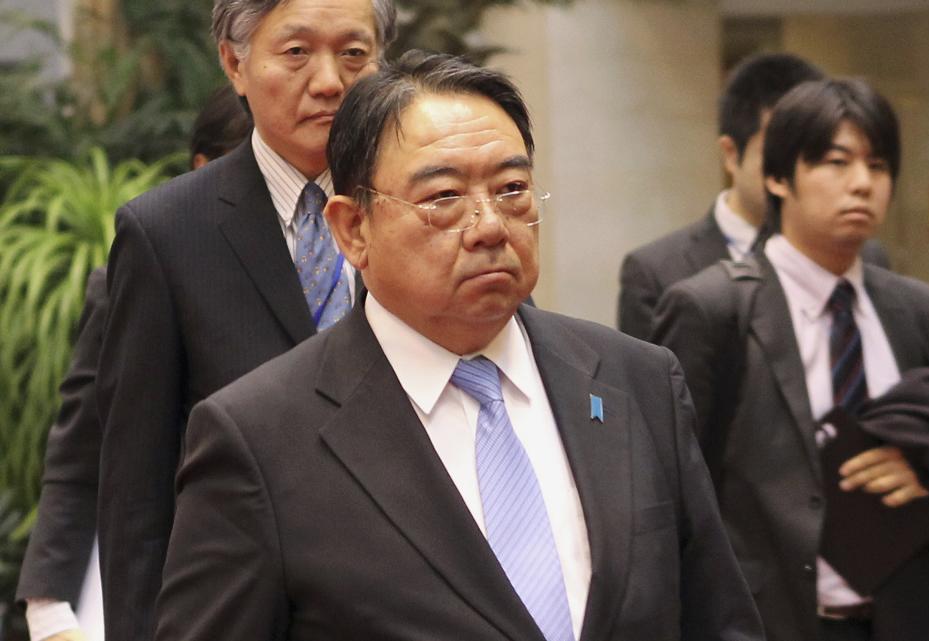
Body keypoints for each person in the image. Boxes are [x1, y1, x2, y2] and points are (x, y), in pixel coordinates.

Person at [154, 51, 764, 641]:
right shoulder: (260, 437)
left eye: (512, 189)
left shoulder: (637, 382)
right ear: (353, 229)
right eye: (444, 198)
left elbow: (717, 618)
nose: (491, 226)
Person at [94, 2, 397, 640]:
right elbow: (136, 490)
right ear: (235, 63)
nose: (329, 81)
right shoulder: (166, 233)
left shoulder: (425, 208)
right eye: (296, 53)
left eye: (353, 54)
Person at [652, 78, 929, 641]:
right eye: (836, 162)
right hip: (776, 622)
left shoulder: (919, 311)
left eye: (879, 165)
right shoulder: (713, 308)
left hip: (913, 616)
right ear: (777, 176)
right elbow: (669, 490)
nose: (863, 184)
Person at [14, 84, 251, 641]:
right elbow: (82, 447)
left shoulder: (358, 266)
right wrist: (48, 608)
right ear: (204, 167)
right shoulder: (145, 266)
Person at [617, 53, 889, 341]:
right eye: (776, 154)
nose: (789, 171)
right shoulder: (657, 271)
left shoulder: (865, 256)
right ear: (731, 154)